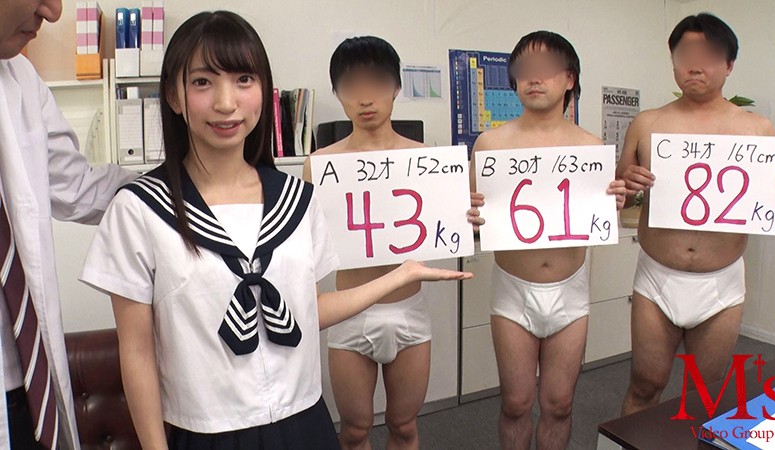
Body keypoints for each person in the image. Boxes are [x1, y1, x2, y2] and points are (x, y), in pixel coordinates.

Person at [79, 12, 470, 450]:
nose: (226, 102)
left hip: (304, 421)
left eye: (244, 80)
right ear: (173, 95)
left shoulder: (296, 199)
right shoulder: (140, 209)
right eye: (203, 82)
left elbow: (308, 309)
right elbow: (136, 351)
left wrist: (403, 274)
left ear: (264, 91)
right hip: (207, 432)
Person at [617, 12, 775, 415]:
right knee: (644, 385)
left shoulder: (758, 130)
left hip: (721, 282)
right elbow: (620, 199)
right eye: (686, 56)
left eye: (709, 56)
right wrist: (626, 186)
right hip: (657, 277)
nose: (695, 66)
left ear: (729, 65)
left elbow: (768, 211)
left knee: (706, 393)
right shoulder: (647, 123)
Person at [468, 31, 626, 450]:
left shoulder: (591, 147)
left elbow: (600, 216)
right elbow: (471, 222)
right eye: (525, 70)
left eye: (547, 69)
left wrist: (615, 200)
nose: (534, 78)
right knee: (516, 403)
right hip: (512, 290)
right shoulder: (490, 144)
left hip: (569, 290)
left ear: (570, 78)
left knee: (559, 404)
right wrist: (470, 215)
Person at [302, 35, 456, 450]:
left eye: (377, 83)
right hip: (350, 312)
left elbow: (450, 224)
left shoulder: (427, 159)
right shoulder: (320, 164)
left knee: (404, 427)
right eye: (352, 85)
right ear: (338, 93)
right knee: (354, 431)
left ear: (396, 88)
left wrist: (469, 212)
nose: (366, 97)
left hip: (409, 310)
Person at [0, 0, 137, 448]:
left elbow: (77, 187)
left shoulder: (20, 79)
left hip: (25, 388)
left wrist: (176, 186)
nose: (54, 12)